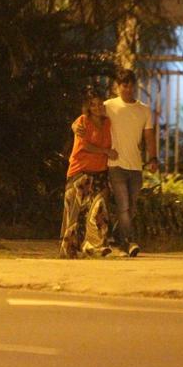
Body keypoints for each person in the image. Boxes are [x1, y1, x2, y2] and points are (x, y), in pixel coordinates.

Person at [75, 69, 158, 257]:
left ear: (135, 86)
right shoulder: (109, 106)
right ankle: (128, 242)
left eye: (130, 85)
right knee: (124, 206)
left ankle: (117, 236)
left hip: (135, 166)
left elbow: (149, 137)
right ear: (118, 87)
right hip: (116, 165)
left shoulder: (143, 110)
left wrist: (153, 158)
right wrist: (76, 126)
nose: (127, 89)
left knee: (131, 207)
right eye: (124, 85)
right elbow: (89, 113)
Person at [59, 88, 118, 259]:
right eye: (93, 105)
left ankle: (96, 245)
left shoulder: (107, 122)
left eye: (100, 104)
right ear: (88, 108)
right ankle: (69, 248)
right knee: (75, 214)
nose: (98, 107)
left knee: (99, 210)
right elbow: (85, 146)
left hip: (100, 172)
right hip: (81, 172)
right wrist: (106, 151)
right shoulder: (83, 121)